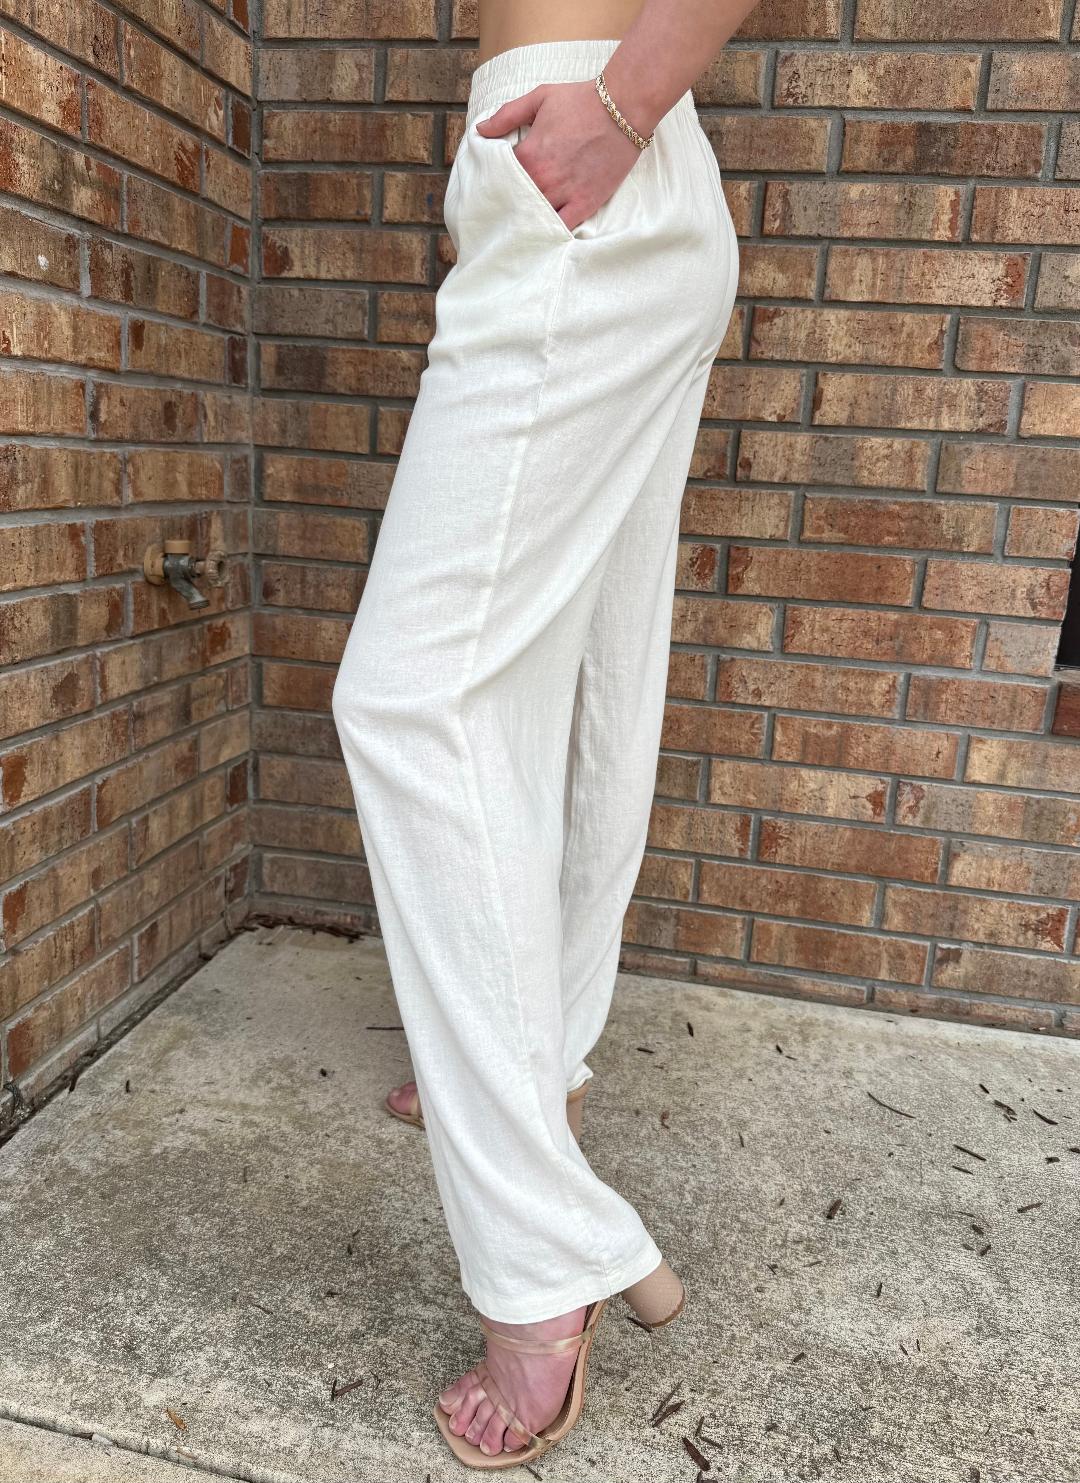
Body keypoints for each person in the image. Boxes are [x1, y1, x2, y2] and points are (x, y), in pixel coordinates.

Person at [331, 0, 758, 1465]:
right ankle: (544, 1065)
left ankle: (540, 1255)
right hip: (615, 179)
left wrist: (620, 105)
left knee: (410, 699)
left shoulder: (602, 127)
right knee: (584, 678)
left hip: (590, 160)